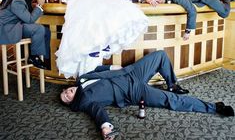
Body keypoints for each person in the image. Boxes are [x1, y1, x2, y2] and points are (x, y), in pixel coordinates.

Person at [60, 50, 234, 139]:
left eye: (65, 92)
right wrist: (106, 127)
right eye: (67, 98)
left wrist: (113, 67)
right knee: (171, 101)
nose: (67, 93)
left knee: (160, 55)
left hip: (130, 72)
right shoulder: (85, 101)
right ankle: (213, 107)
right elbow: (97, 113)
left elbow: (98, 69)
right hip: (132, 92)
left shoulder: (81, 79)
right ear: (72, 103)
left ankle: (172, 84)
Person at [0, 0, 51, 69]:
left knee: (46, 31)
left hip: (15, 25)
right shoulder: (18, 0)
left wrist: (36, 6)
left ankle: (45, 58)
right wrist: (39, 6)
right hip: (6, 29)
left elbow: (25, 13)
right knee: (39, 29)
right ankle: (34, 57)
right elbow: (29, 20)